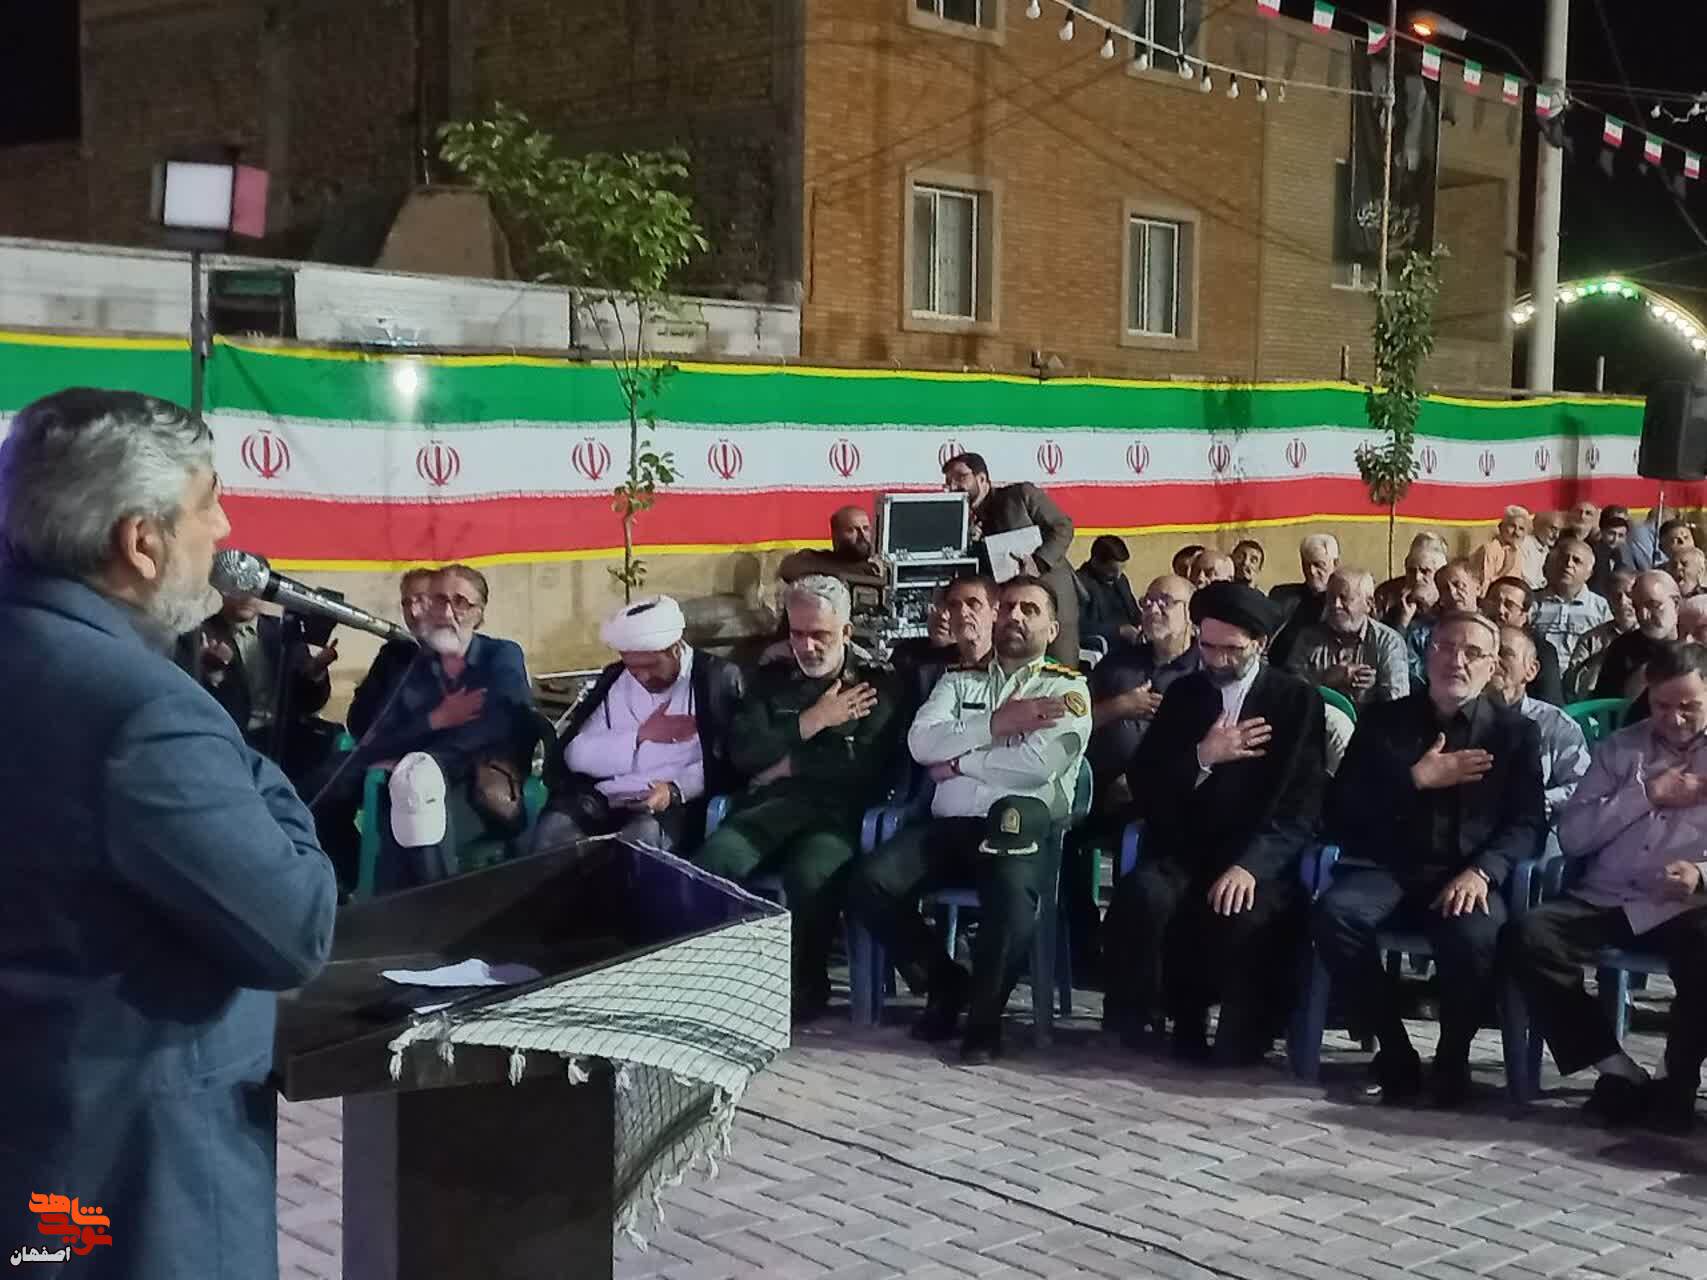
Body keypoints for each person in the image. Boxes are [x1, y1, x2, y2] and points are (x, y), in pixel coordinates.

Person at [0, 388, 336, 1279]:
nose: (224, 529)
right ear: (141, 542)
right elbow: (292, 930)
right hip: (136, 1181)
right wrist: (249, 764)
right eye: (207, 503)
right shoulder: (146, 714)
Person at [850, 576, 1091, 1063]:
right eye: (1009, 607)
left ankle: (984, 1023)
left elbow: (1037, 766)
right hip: (953, 827)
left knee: (1010, 896)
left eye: (1030, 610)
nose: (1015, 616)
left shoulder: (1065, 688)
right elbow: (922, 744)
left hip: (1020, 829)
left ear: (1052, 628)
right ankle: (945, 982)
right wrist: (995, 724)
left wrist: (961, 762)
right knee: (868, 883)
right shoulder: (960, 679)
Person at [1313, 610, 1546, 1105]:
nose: (1456, 661)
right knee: (1336, 914)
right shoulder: (1384, 721)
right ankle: (1394, 1049)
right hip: (1390, 868)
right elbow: (1340, 808)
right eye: (1445, 648)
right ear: (1426, 654)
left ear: (1491, 667)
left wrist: (1483, 872)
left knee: (1476, 935)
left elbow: (1528, 824)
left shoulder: (1515, 733)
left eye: (1472, 653)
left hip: (1466, 873)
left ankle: (1452, 1057)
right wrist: (1414, 779)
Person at [1102, 583, 1326, 1062]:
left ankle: (1247, 1031)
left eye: (1232, 649)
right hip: (1186, 847)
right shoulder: (1185, 693)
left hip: (1256, 855)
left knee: (1244, 909)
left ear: (1259, 644)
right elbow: (1145, 779)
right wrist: (1203, 756)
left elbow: (1301, 805)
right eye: (1207, 646)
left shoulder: (1295, 701)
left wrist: (1251, 866)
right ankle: (1153, 1018)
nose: (1218, 659)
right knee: (1145, 894)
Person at [1503, 642, 1707, 1134]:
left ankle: (1675, 1078)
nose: (1674, 719)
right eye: (1662, 705)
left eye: (1689, 706)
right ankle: (1615, 1068)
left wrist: (1701, 874)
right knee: (1527, 936)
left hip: (1685, 904)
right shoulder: (1622, 748)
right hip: (1607, 896)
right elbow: (1574, 836)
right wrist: (1647, 794)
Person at [693, 575, 900, 1021]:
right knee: (713, 862)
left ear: (846, 631)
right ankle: (717, 981)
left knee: (811, 874)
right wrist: (814, 720)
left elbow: (863, 768)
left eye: (820, 634)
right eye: (798, 633)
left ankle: (805, 985)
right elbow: (742, 753)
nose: (807, 646)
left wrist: (783, 763)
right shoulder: (771, 680)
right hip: (769, 809)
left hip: (833, 815)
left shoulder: (875, 684)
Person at [315, 563, 536, 891]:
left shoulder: (500, 654)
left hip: (474, 782)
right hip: (401, 774)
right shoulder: (412, 660)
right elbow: (371, 725)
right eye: (438, 601)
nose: (445, 612)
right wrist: (430, 724)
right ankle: (354, 887)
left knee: (411, 802)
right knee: (320, 792)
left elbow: (501, 724)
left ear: (479, 613)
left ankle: (428, 907)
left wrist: (424, 755)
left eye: (460, 602)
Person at [536, 595, 743, 853]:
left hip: (675, 804)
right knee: (553, 829)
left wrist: (674, 790)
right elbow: (575, 755)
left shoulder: (714, 679)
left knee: (639, 842)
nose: (642, 677)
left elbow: (725, 761)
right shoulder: (616, 679)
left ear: (675, 649)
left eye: (651, 666)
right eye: (633, 668)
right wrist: (641, 735)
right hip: (604, 795)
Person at [177, 589, 339, 782]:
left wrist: (315, 672)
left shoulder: (284, 631)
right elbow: (188, 709)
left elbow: (310, 704)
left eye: (255, 590)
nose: (247, 597)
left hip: (285, 739)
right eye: (240, 590)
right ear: (223, 589)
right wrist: (213, 674)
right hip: (234, 744)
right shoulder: (197, 636)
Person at [943, 452, 1079, 666]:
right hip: (1008, 612)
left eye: (961, 477)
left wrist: (1038, 562)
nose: (953, 486)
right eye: (948, 481)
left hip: (1050, 598)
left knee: (1060, 671)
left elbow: (1062, 527)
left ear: (982, 478)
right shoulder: (963, 522)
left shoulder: (1020, 495)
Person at [1486, 626, 1590, 821]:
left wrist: (1539, 799)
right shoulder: (1458, 715)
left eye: (1504, 653)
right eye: (1488, 653)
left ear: (1531, 670)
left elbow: (1584, 785)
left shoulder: (1555, 724)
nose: (1493, 660)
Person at [1286, 568, 1409, 706]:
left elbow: (1398, 703)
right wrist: (1327, 679)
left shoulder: (1388, 641)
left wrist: (1374, 689)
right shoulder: (1308, 639)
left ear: (1369, 603)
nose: (1336, 605)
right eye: (1331, 598)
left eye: (1344, 598)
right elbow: (1291, 694)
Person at [1594, 570, 1680, 700]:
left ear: (1676, 603)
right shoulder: (1622, 649)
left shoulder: (1697, 640)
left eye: (1653, 605)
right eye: (1637, 607)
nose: (1643, 615)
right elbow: (1602, 703)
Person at [1481, 576, 1565, 706]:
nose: (1500, 610)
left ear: (1524, 615)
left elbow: (1549, 702)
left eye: (1509, 605)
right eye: (1494, 602)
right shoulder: (1467, 639)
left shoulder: (1542, 651)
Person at [1531, 536, 1611, 670]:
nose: (1568, 564)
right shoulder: (1533, 601)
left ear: (1588, 573)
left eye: (1577, 561)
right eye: (1563, 558)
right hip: (1540, 673)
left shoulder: (1601, 607)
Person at [1267, 533, 1339, 667]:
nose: (1311, 571)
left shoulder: (1341, 604)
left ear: (1335, 564)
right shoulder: (1282, 596)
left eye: (1318, 565)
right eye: (1306, 565)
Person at [1566, 568, 1639, 699]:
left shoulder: (1651, 636)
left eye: (1629, 594)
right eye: (1616, 596)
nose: (1623, 602)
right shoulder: (1591, 640)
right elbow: (1572, 684)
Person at [1406, 558, 1480, 686]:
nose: (1452, 593)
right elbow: (1416, 678)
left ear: (1478, 588)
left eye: (1458, 585)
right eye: (1445, 589)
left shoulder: (1495, 630)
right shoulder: (1422, 635)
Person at [777, 504, 881, 585]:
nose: (862, 535)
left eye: (866, 528)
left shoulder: (875, 569)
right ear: (835, 535)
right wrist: (849, 573)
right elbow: (788, 567)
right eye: (851, 530)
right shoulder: (817, 560)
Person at [1075, 534, 1141, 646]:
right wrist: (1119, 631)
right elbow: (1080, 627)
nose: (1118, 576)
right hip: (1105, 646)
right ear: (1095, 562)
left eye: (1122, 570)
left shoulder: (1121, 580)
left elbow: (1134, 612)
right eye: (1112, 571)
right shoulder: (1079, 584)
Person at [1469, 505, 1535, 593]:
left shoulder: (1517, 551)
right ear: (1500, 527)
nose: (1516, 532)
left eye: (1521, 529)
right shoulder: (1490, 549)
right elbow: (1484, 590)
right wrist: (1505, 569)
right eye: (1512, 526)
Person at [1590, 507, 1631, 597]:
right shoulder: (1593, 553)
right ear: (1602, 532)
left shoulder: (1619, 554)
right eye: (1611, 534)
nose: (1615, 539)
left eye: (1620, 535)